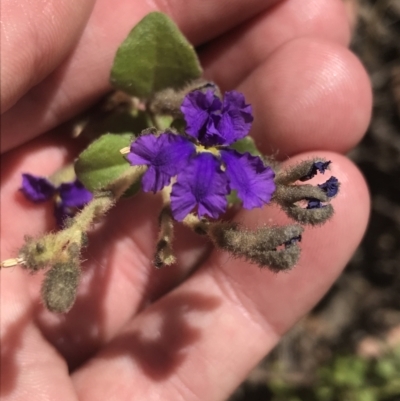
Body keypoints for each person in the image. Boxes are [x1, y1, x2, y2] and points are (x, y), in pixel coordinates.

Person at [0, 0, 371, 400]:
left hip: (189, 149)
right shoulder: (176, 145)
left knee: (260, 186)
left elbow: (244, 182)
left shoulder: (212, 152)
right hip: (160, 134)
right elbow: (159, 150)